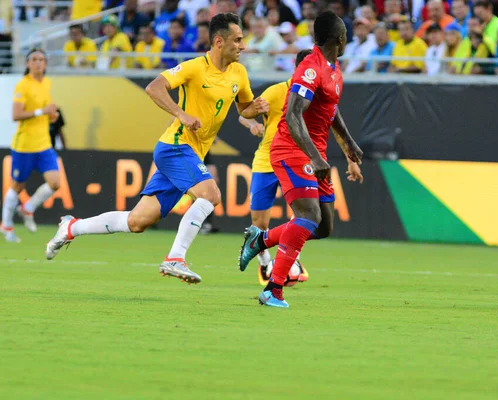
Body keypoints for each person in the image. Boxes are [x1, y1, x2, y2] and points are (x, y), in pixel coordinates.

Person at [45, 13, 269, 285]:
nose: (243, 45)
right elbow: (154, 88)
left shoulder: (238, 72)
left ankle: (71, 227)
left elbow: (243, 108)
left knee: (137, 222)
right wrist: (181, 114)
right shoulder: (195, 67)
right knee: (211, 194)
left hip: (191, 154)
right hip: (175, 146)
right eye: (238, 39)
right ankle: (175, 257)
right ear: (219, 42)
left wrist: (254, 114)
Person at [238, 11, 364, 308]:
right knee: (309, 216)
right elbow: (293, 115)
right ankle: (273, 289)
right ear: (340, 39)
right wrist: (315, 156)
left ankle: (261, 240)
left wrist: (349, 145)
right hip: (292, 149)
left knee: (323, 227)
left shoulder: (334, 69)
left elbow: (332, 111)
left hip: (312, 151)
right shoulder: (311, 67)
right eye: (346, 34)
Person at [239, 49, 337, 286]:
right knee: (259, 222)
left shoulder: (318, 94)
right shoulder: (275, 91)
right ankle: (265, 266)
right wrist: (252, 122)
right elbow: (245, 113)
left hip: (297, 159)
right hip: (266, 160)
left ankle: (291, 261)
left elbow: (332, 122)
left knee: (305, 215)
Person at [1, 49, 60, 243]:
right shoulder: (23, 85)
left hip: (43, 144)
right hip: (24, 145)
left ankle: (28, 209)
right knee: (17, 186)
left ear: (46, 63)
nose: (38, 63)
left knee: (55, 183)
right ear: (27, 64)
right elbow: (16, 114)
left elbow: (47, 110)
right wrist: (41, 111)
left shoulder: (47, 83)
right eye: (34, 60)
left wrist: (52, 115)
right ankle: (7, 225)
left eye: (41, 60)